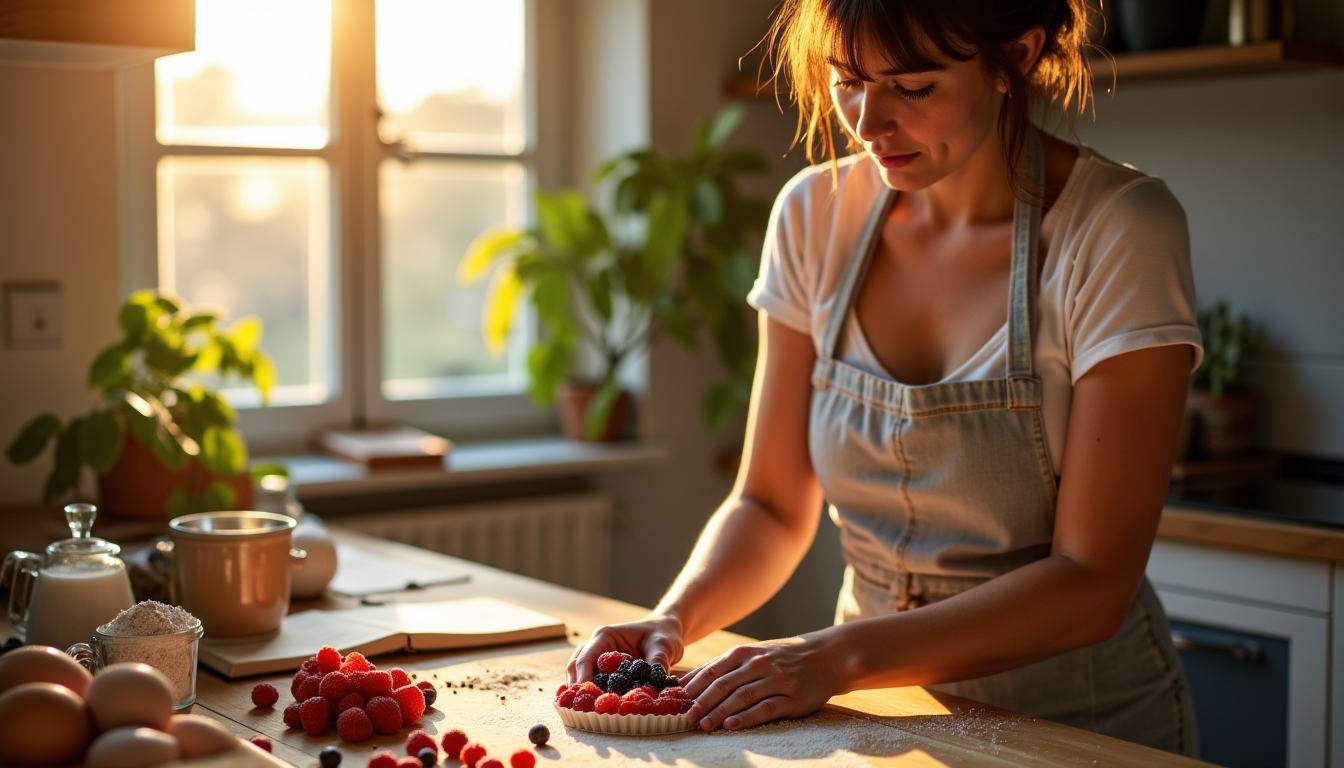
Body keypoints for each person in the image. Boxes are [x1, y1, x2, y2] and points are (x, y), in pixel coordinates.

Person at [569, 0, 1203, 755]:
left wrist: (835, 655)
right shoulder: (813, 216)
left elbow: (1093, 581)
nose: (868, 123)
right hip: (876, 722)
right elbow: (770, 504)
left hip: (1081, 730)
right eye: (848, 81)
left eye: (915, 87)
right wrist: (673, 618)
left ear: (1018, 56)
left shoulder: (1118, 229)